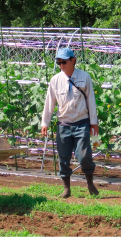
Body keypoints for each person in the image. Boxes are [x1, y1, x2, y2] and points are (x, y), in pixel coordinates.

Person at [41, 48, 99, 198]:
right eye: (58, 62)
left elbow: (91, 100)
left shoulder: (84, 77)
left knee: (84, 155)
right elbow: (50, 102)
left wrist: (94, 123)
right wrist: (45, 122)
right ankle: (66, 189)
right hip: (64, 124)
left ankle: (90, 182)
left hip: (82, 123)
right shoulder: (55, 80)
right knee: (64, 157)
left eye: (64, 62)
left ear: (73, 60)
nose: (61, 65)